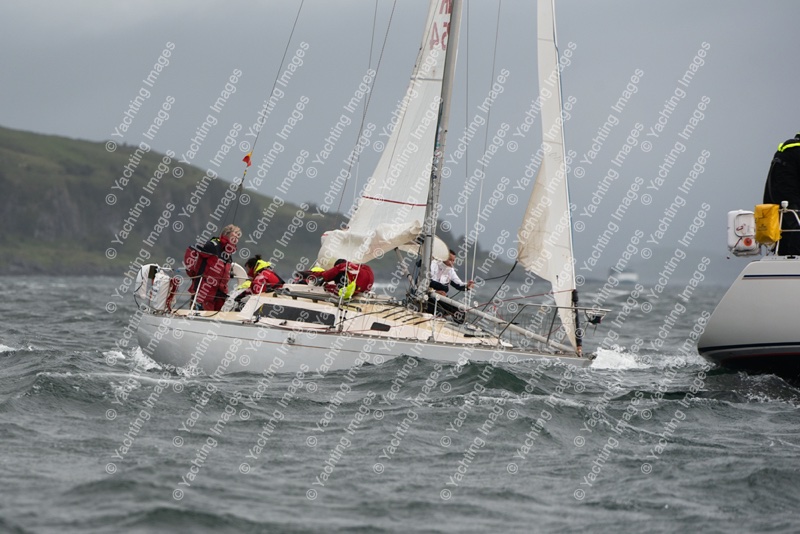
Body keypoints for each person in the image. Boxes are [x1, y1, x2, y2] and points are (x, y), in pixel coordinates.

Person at [184, 224, 241, 311]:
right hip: (205, 292)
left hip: (220, 294)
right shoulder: (213, 246)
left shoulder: (228, 254)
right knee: (203, 314)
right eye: (234, 235)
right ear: (226, 234)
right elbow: (192, 249)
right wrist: (191, 270)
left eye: (237, 237)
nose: (236, 238)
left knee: (219, 315)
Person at [764, 132, 800, 255]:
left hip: (777, 203)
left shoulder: (784, 151)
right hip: (792, 203)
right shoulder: (796, 152)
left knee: (786, 233)